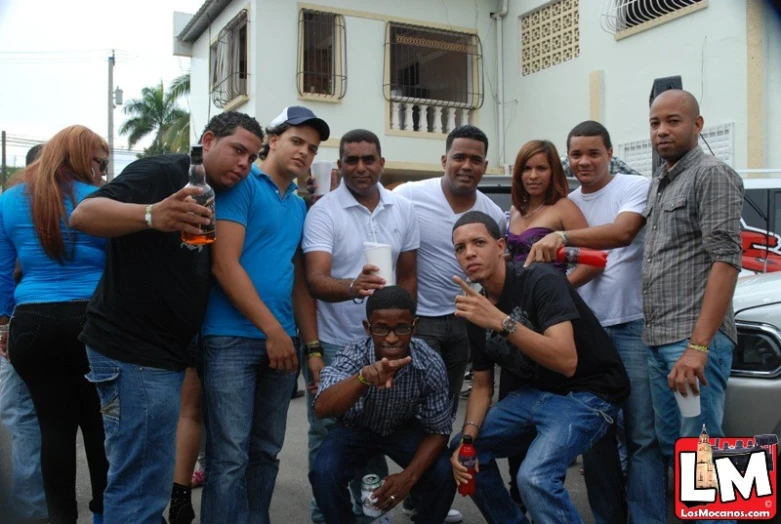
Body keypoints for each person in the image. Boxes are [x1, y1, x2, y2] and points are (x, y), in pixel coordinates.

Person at [69, 111, 264, 524]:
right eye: (238, 150)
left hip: (163, 354)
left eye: (253, 157)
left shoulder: (220, 192)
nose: (245, 163)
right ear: (208, 140)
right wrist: (150, 215)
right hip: (133, 349)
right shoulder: (164, 171)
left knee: (145, 481)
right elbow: (83, 216)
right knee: (139, 486)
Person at [449, 211, 630, 524]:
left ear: (501, 246)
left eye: (478, 242)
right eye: (460, 248)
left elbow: (566, 360)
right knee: (464, 454)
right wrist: (466, 440)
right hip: (539, 393)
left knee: (534, 478)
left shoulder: (540, 280)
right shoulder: (476, 307)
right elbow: (481, 385)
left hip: (589, 393)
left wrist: (499, 321)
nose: (469, 253)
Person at [527, 120, 665, 523]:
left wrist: (565, 237)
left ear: (609, 152)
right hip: (583, 333)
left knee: (641, 436)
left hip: (630, 326)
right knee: (597, 436)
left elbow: (622, 234)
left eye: (593, 153)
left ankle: (647, 518)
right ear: (567, 159)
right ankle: (608, 516)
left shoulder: (632, 187)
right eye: (576, 154)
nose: (584, 161)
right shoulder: (567, 203)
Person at [199, 106, 326, 523]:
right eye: (296, 141)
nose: (304, 152)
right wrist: (273, 331)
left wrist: (308, 346)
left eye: (312, 147)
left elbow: (296, 281)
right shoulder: (242, 185)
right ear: (273, 140)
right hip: (230, 338)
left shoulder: (298, 204)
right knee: (229, 456)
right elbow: (224, 265)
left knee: (266, 452)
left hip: (282, 341)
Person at [302, 129, 419, 523]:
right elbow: (314, 280)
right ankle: (325, 514)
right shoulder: (323, 212)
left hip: (383, 345)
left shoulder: (402, 209)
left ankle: (371, 512)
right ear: (339, 166)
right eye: (351, 160)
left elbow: (408, 276)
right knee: (327, 434)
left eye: (369, 159)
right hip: (336, 342)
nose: (361, 167)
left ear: (382, 163)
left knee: (374, 433)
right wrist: (354, 287)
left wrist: (402, 335)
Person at [394, 125, 504, 522]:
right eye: (459, 156)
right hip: (420, 323)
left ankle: (425, 499)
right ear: (444, 160)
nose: (467, 165)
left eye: (476, 159)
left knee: (442, 413)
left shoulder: (492, 214)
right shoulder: (408, 195)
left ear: (485, 166)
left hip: (465, 324)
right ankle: (417, 488)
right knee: (410, 413)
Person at [0, 126, 110, 524]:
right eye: (98, 161)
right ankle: (105, 516)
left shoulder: (9, 200)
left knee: (53, 432)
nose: (101, 169)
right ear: (80, 157)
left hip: (31, 325)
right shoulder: (100, 200)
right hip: (92, 320)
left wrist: (3, 326)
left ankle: (60, 518)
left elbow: (0, 274)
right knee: (100, 430)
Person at [310, 286, 456, 524]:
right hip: (354, 428)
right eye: (381, 328)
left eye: (401, 327)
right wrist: (362, 379)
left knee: (444, 471)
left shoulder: (429, 361)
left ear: (414, 326)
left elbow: (439, 430)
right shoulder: (352, 354)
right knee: (323, 474)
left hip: (401, 427)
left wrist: (407, 479)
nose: (391, 338)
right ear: (368, 328)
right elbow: (322, 407)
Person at [0, 142, 49, 524]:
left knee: (23, 417)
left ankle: (34, 510)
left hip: (21, 324)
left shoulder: (11, 202)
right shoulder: (73, 201)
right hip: (39, 324)